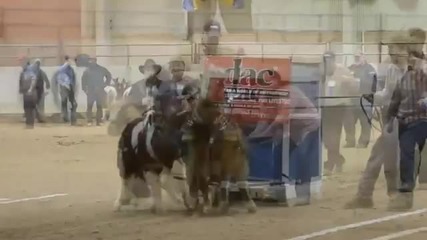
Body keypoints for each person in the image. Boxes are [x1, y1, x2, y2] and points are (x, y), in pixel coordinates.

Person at [344, 34, 410, 209]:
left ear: (405, 51)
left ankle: (385, 195)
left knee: (390, 158)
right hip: (395, 119)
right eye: (390, 51)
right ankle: (366, 195)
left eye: (394, 51)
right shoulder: (391, 70)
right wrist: (370, 97)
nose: (391, 54)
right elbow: (387, 94)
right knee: (380, 156)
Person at [386, 36, 427, 211]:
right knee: (406, 153)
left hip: (424, 121)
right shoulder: (404, 78)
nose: (411, 60)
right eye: (410, 56)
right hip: (406, 122)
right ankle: (407, 185)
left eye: (415, 57)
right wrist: (389, 119)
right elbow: (395, 100)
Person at [321, 51, 358, 175]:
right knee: (326, 138)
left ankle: (330, 164)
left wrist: (348, 81)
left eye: (329, 60)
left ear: (333, 60)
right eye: (325, 60)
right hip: (324, 106)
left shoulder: (342, 70)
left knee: (334, 136)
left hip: (339, 106)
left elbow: (354, 86)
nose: (328, 63)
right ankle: (339, 160)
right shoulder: (321, 71)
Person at [343, 53, 376, 148]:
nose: (357, 58)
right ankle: (350, 141)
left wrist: (357, 81)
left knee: (365, 122)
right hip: (351, 99)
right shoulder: (350, 68)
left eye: (359, 56)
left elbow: (372, 82)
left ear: (364, 57)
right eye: (355, 56)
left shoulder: (370, 69)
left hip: (365, 98)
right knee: (348, 121)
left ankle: (363, 142)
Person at [81, 58, 112, 126]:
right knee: (89, 106)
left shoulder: (101, 69)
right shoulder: (87, 71)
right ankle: (89, 121)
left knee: (99, 106)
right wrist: (84, 89)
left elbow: (108, 75)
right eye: (90, 60)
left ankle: (99, 121)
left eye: (92, 60)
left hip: (99, 89)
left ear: (95, 61)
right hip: (90, 90)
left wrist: (105, 84)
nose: (91, 62)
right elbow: (83, 80)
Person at [53, 56, 77, 125]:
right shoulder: (64, 69)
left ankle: (70, 118)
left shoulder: (69, 69)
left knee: (68, 103)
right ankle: (67, 118)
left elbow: (73, 79)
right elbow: (60, 79)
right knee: (66, 103)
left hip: (67, 87)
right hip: (65, 87)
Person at [19, 63, 39, 129]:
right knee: (27, 108)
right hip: (27, 93)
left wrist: (30, 89)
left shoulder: (31, 73)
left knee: (30, 108)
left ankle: (30, 123)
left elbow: (33, 81)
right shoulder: (24, 74)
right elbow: (21, 83)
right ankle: (28, 123)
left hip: (31, 93)